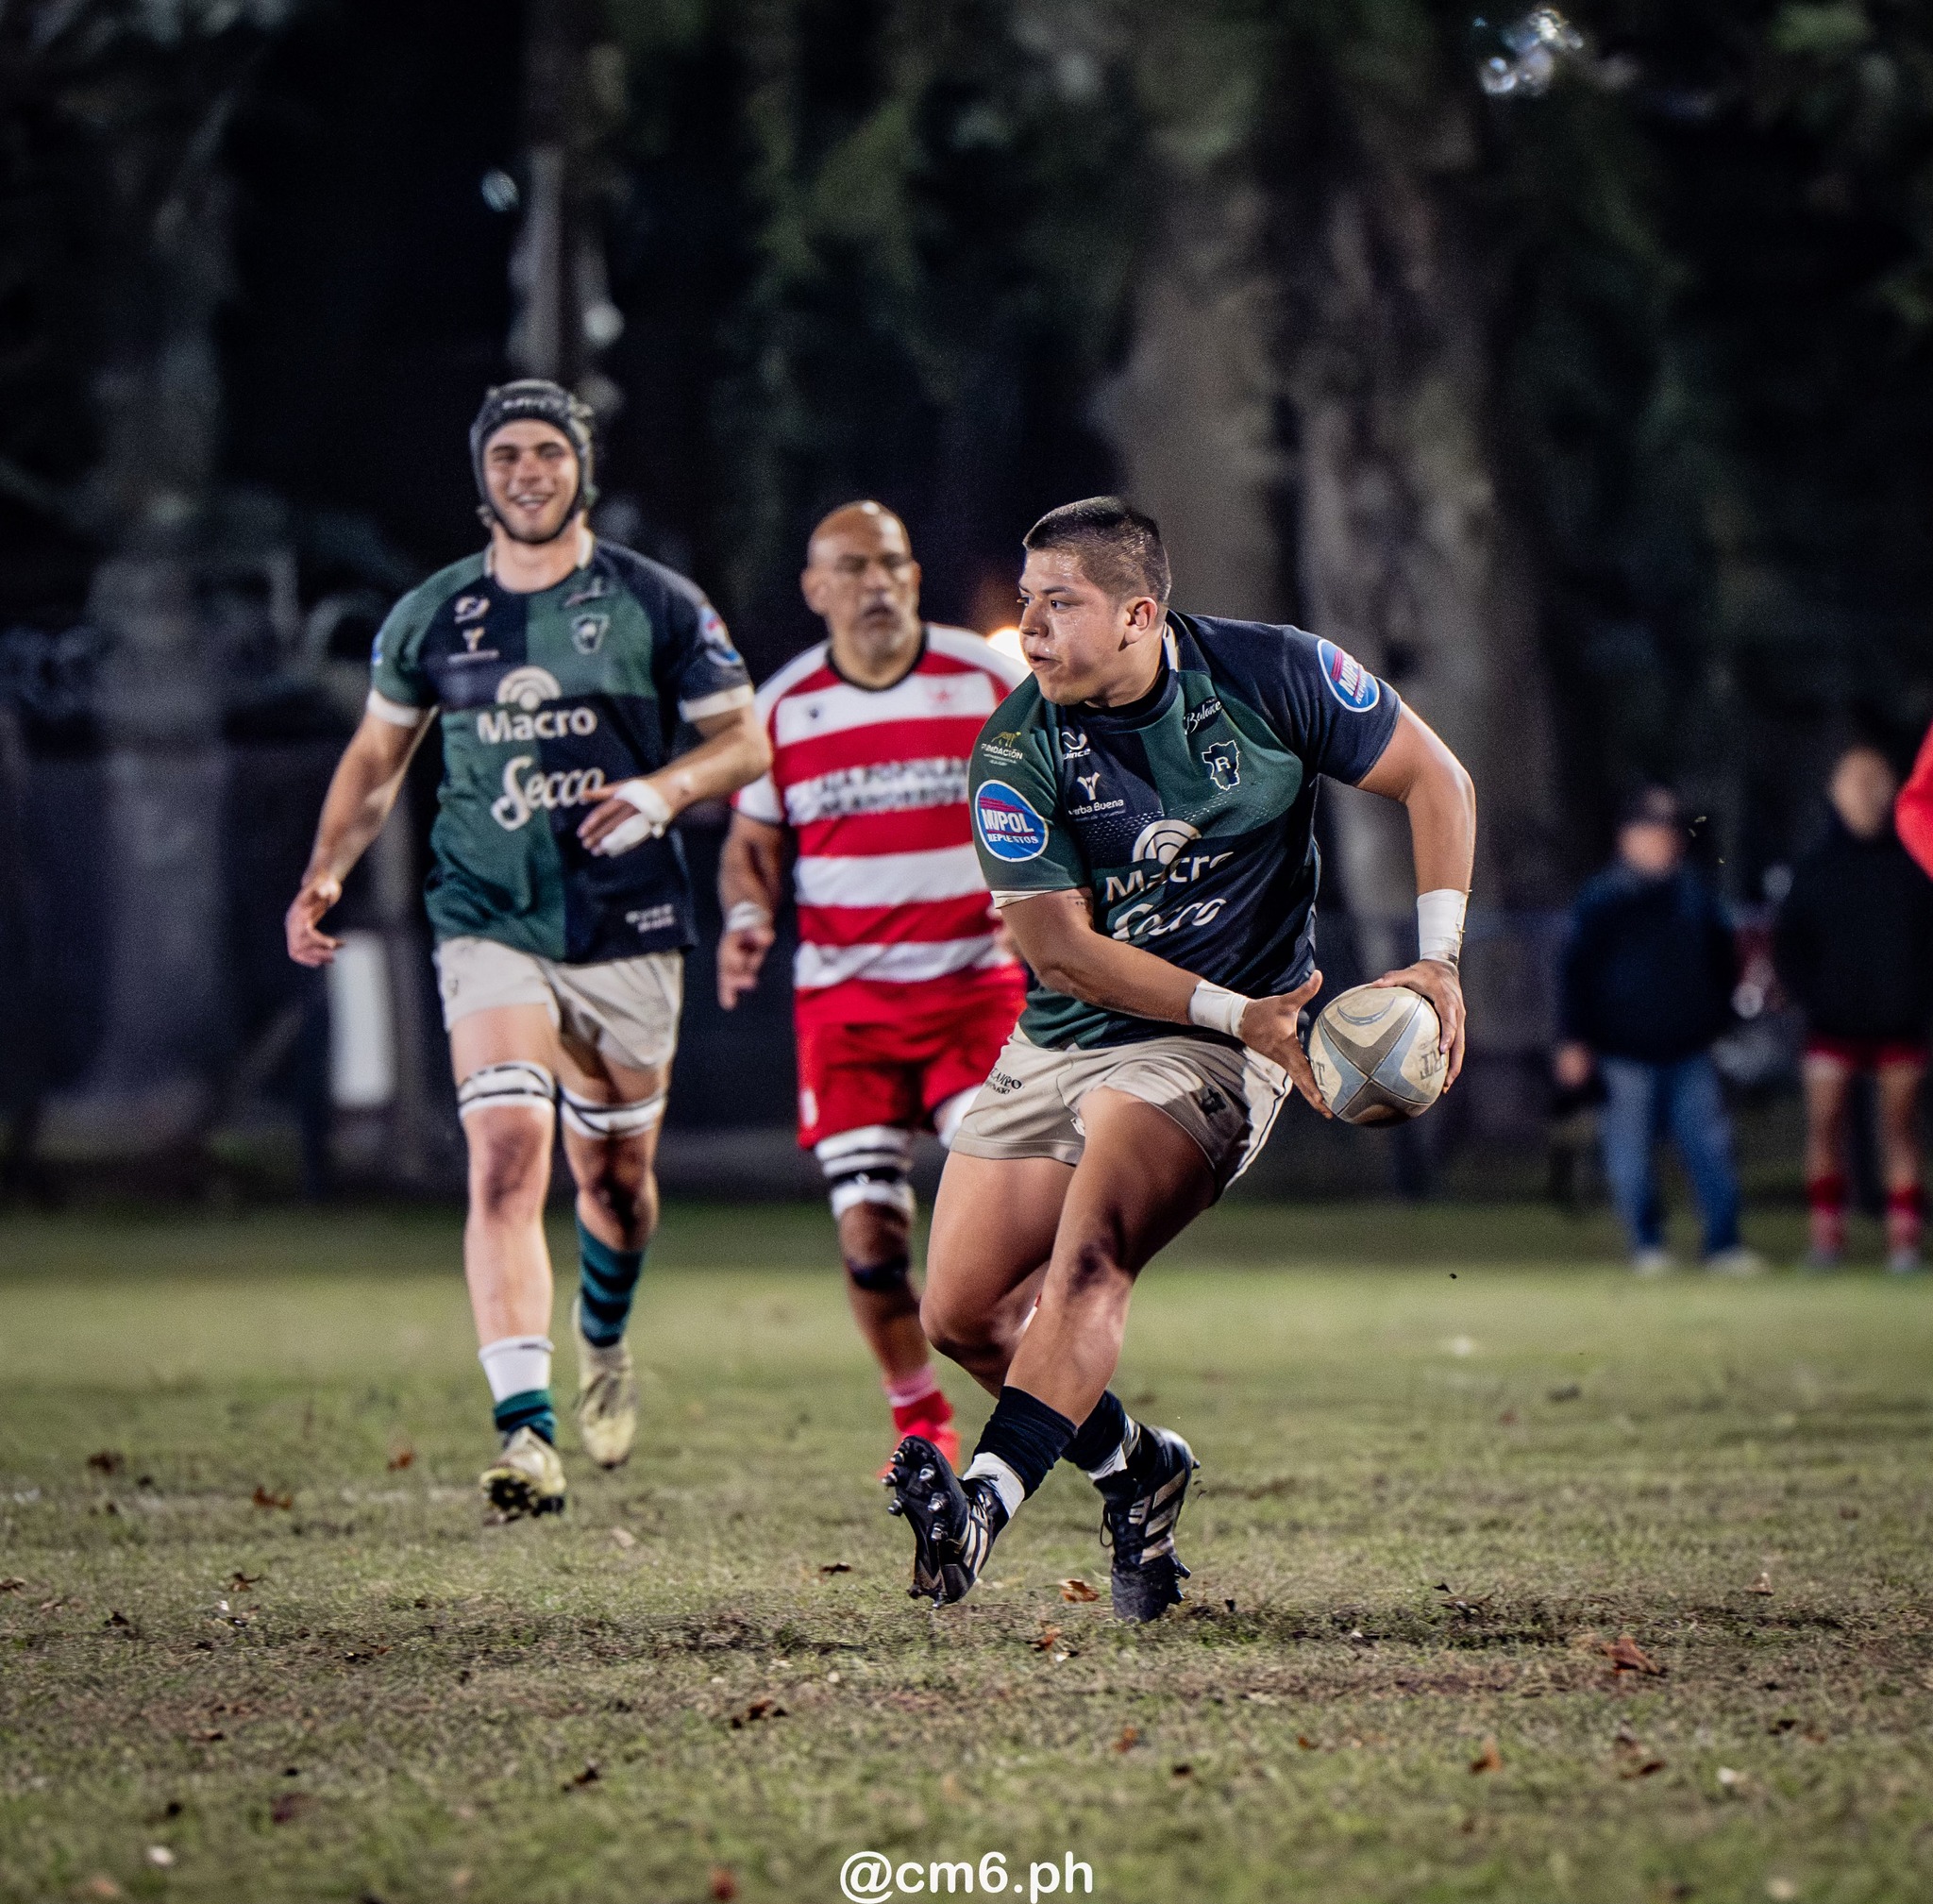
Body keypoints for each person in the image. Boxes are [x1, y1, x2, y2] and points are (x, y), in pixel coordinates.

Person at [883, 496, 1475, 1620]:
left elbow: (1433, 779)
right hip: (1067, 1034)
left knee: (1088, 1261)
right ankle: (1138, 1470)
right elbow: (1058, 953)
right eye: (1024, 605)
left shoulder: (1277, 676)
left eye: (1060, 605)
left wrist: (1437, 962)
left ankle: (977, 1510)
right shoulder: (1016, 745)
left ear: (1138, 614)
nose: (1032, 629)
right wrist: (1240, 1007)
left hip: (1207, 1055)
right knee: (960, 1317)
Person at [286, 380, 768, 1517]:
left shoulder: (657, 602)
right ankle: (524, 1432)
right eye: (506, 453)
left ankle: (602, 1335)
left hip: (626, 926)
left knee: (615, 1179)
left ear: (580, 468)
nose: (527, 471)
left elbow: (742, 741)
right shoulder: (431, 616)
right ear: (482, 474)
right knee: (506, 1150)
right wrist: (326, 867)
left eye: (547, 450)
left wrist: (663, 789)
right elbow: (376, 759)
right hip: (486, 914)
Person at [716, 502, 1029, 1470]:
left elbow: (1061, 790)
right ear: (816, 590)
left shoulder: (982, 677)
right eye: (852, 568)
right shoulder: (781, 706)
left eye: (892, 563)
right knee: (869, 1235)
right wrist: (745, 919)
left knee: (997, 1228)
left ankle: (1036, 1407)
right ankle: (919, 1415)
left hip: (977, 994)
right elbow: (749, 846)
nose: (877, 583)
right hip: (847, 1010)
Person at [1554, 786, 1760, 1275]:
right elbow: (1574, 974)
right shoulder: (1602, 899)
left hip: (1690, 1048)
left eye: (1668, 833)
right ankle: (1648, 1244)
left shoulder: (1696, 897)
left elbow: (1722, 964)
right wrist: (1572, 1039)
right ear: (1627, 837)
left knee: (1710, 1149)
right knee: (1629, 1155)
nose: (1662, 842)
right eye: (1651, 831)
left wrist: (1721, 1022)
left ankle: (1724, 1244)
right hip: (1623, 1051)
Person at [1773, 746, 1933, 1272]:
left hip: (1899, 1023)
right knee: (1824, 1126)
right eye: (1852, 782)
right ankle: (1827, 1239)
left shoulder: (1913, 866)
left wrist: (1913, 997)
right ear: (1834, 792)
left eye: (1875, 781)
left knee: (1901, 1129)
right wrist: (1812, 996)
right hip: (1831, 1022)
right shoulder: (1815, 870)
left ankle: (1904, 1243)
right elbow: (1789, 945)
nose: (1864, 793)